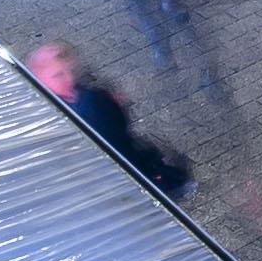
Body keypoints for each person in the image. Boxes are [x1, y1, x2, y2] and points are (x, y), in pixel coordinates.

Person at [21, 42, 190, 196]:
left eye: (68, 71)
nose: (68, 78)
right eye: (57, 75)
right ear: (40, 78)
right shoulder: (63, 111)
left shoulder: (82, 96)